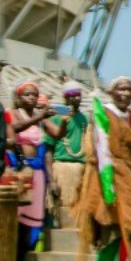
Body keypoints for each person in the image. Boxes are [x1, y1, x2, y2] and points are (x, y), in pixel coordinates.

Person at [76, 76, 131, 261]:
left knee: (129, 227)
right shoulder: (102, 114)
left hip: (128, 178)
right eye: (121, 89)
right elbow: (98, 148)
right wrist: (108, 179)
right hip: (105, 176)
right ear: (111, 92)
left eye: (129, 90)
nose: (126, 94)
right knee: (107, 227)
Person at [5, 81, 61, 261]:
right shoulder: (13, 114)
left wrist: (64, 119)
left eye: (34, 95)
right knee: (15, 216)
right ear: (18, 97)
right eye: (27, 94)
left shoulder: (40, 117)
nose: (31, 98)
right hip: (20, 170)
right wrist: (38, 116)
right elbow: (14, 128)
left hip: (37, 173)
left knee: (32, 220)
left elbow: (57, 134)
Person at [46, 81, 88, 226]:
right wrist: (51, 180)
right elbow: (48, 151)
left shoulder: (84, 119)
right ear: (65, 97)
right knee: (62, 212)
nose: (76, 98)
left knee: (79, 212)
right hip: (62, 169)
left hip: (80, 169)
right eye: (72, 95)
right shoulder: (56, 118)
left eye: (78, 95)